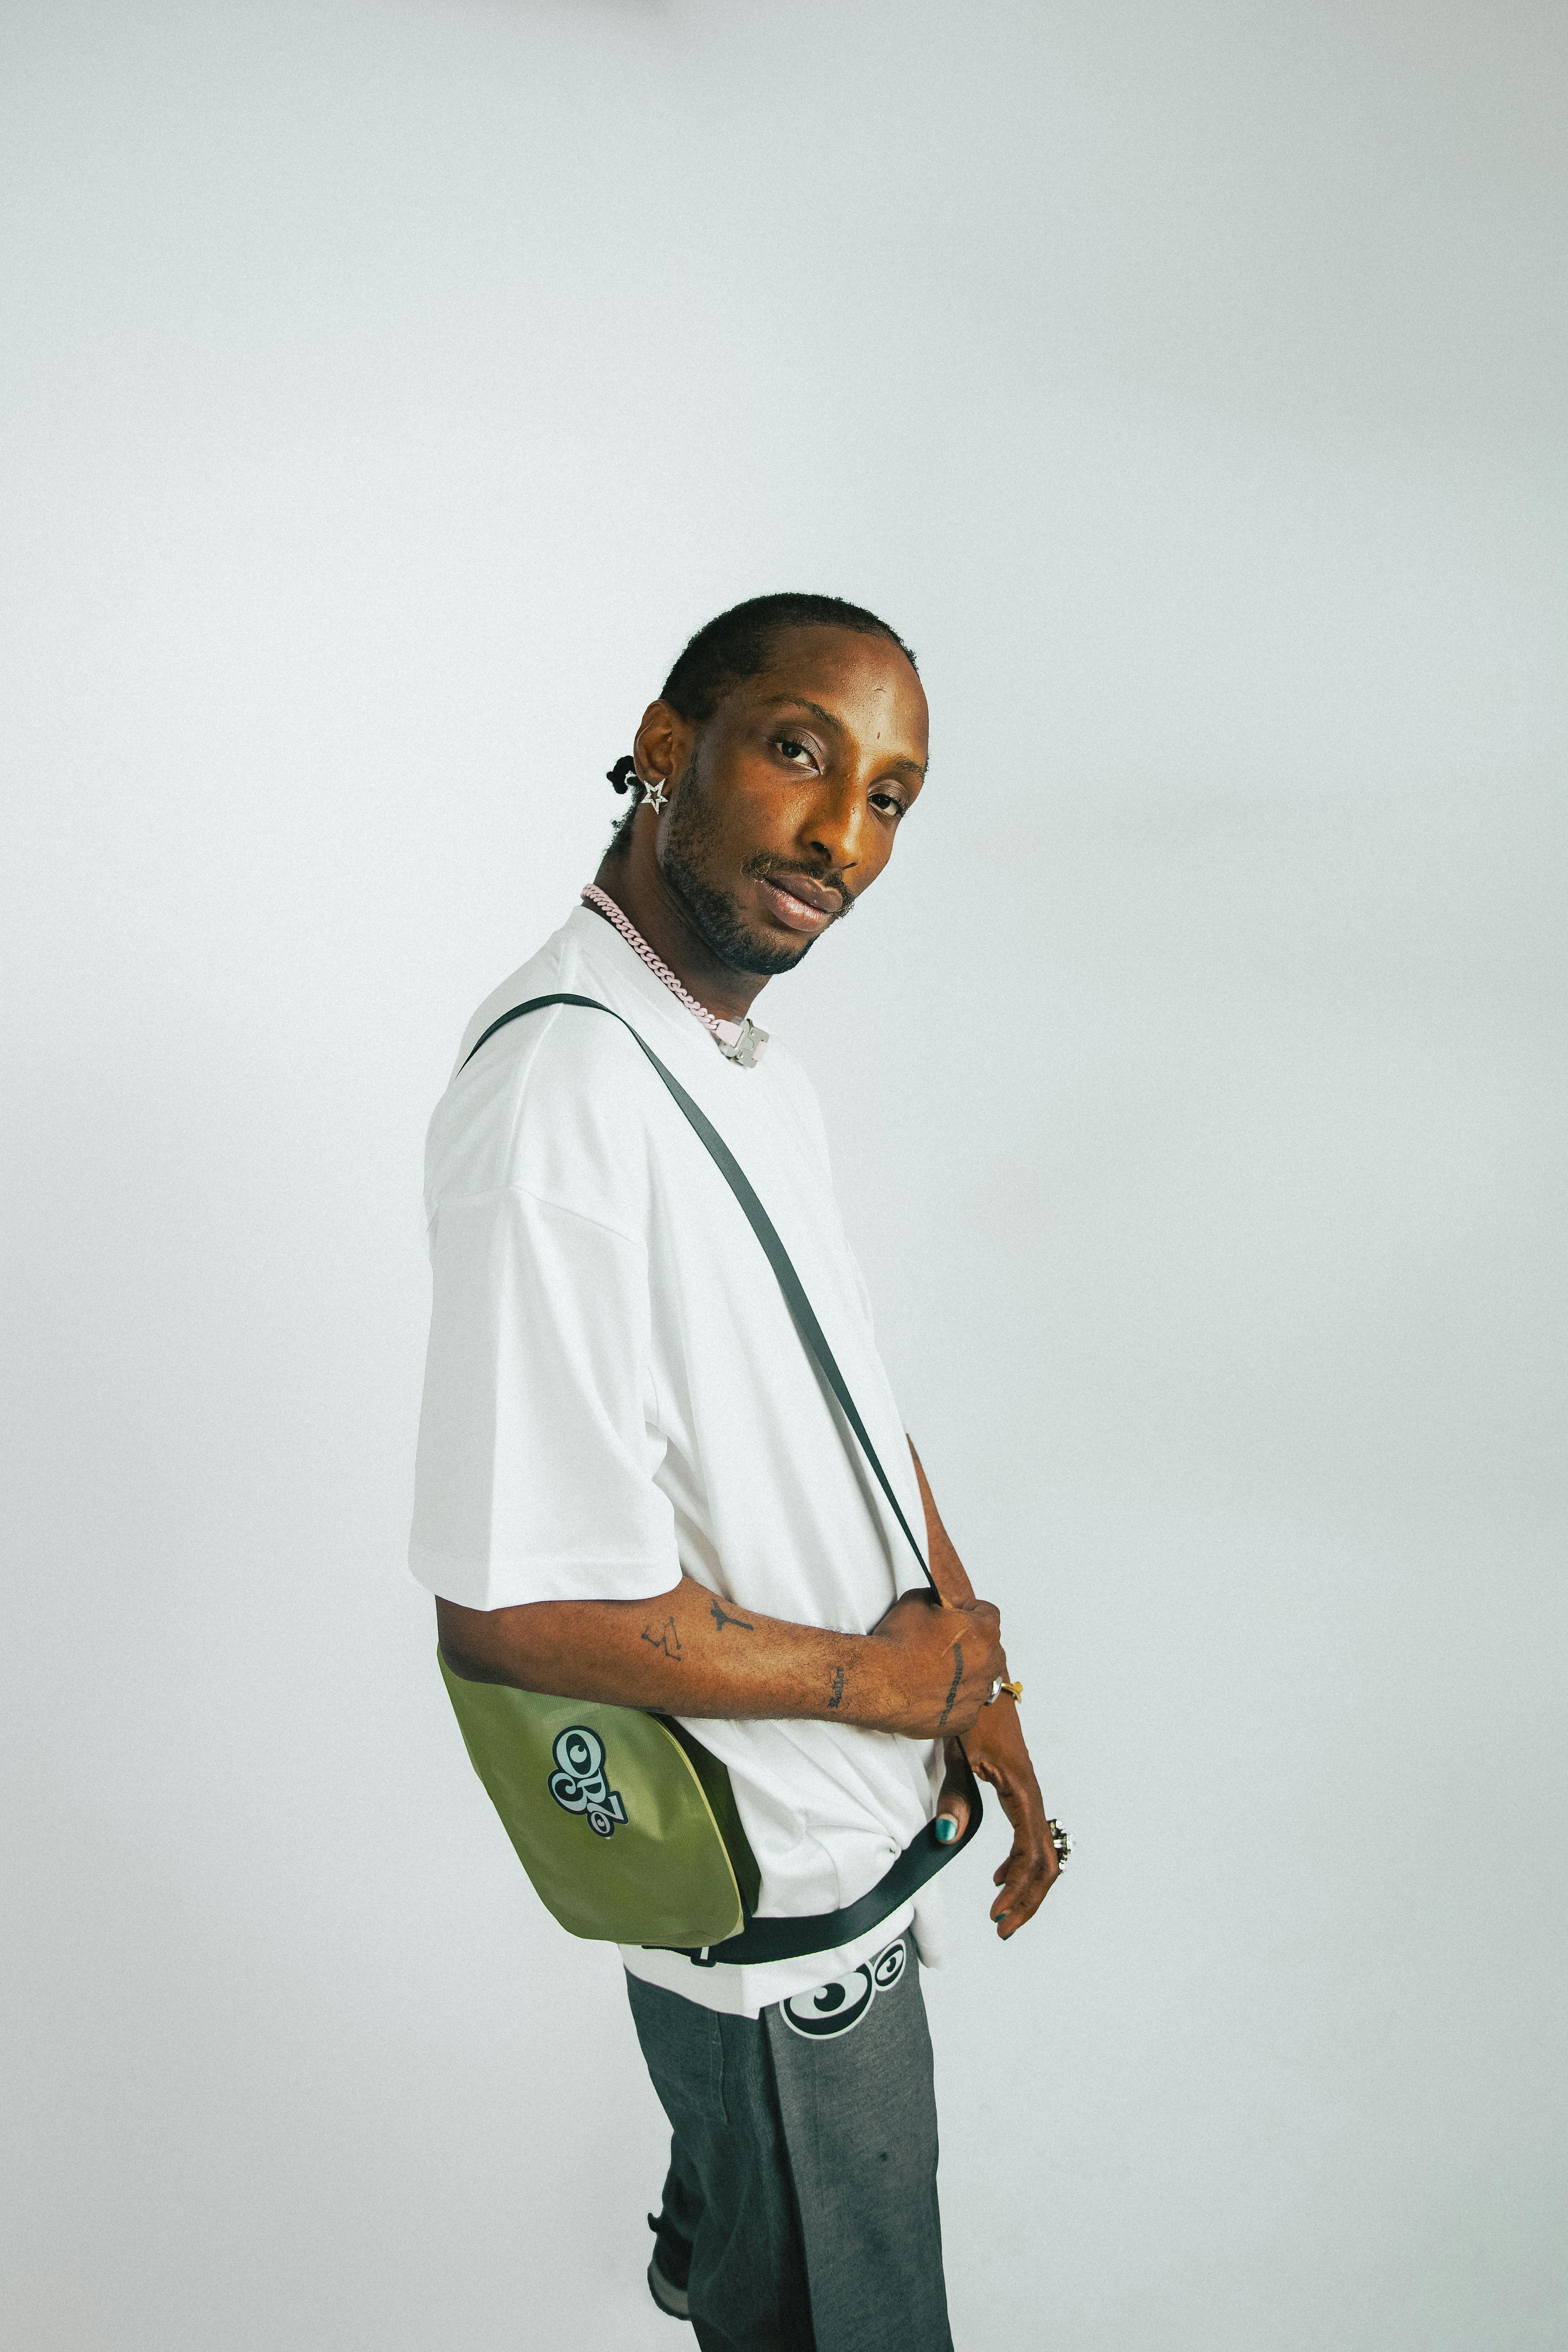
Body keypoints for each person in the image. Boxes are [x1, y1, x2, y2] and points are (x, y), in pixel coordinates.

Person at [410, 593, 1064, 2352]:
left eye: (890, 798)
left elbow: (842, 1393)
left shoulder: (735, 1061)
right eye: (800, 751)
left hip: (856, 1849)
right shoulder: (564, 1096)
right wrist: (883, 1682)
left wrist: (968, 1670)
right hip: (778, 1935)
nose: (841, 837)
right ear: (664, 740)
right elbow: (515, 1608)